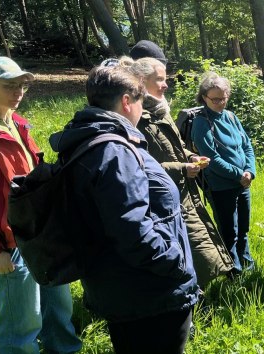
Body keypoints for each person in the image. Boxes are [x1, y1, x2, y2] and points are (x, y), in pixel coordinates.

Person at [49, 63, 198, 353]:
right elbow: (131, 228)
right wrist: (175, 263)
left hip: (119, 285)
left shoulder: (87, 139)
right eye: (142, 101)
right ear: (127, 101)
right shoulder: (114, 151)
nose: (143, 109)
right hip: (147, 293)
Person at [0, 57, 82, 353]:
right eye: (10, 86)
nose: (19, 91)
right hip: (10, 243)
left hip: (42, 234)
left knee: (58, 309)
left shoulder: (18, 124)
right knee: (21, 325)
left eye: (22, 85)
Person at [126, 55, 234, 287]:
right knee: (178, 252)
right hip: (159, 201)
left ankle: (199, 296)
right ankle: (188, 303)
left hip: (183, 192)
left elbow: (176, 147)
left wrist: (191, 156)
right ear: (142, 81)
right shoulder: (135, 119)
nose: (166, 84)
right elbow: (140, 167)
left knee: (196, 248)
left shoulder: (161, 111)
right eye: (160, 79)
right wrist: (182, 169)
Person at [191, 73, 256, 274]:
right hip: (221, 187)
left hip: (242, 183)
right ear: (204, 98)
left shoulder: (230, 116)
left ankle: (247, 264)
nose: (220, 103)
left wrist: (250, 171)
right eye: (215, 99)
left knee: (244, 228)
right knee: (229, 232)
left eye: (224, 97)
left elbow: (247, 146)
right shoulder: (201, 123)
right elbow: (211, 159)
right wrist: (239, 175)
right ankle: (233, 271)